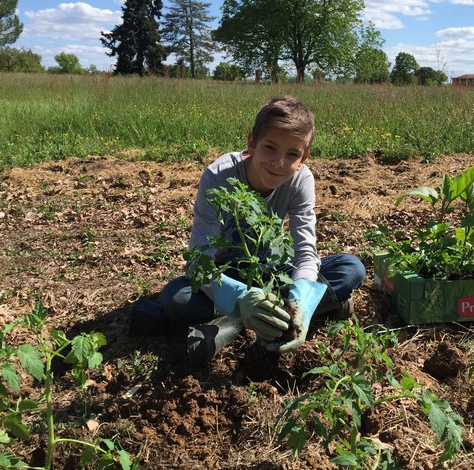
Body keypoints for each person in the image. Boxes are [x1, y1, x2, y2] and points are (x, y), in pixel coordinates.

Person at [136, 95, 366, 362]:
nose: (279, 163)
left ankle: (237, 323)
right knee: (176, 296)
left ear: (303, 157)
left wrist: (301, 301)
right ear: (251, 143)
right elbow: (199, 260)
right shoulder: (219, 176)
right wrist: (242, 296)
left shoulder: (301, 180)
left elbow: (305, 249)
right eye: (270, 148)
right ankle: (269, 314)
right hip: (227, 274)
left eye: (292, 154)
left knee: (351, 269)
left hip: (273, 270)